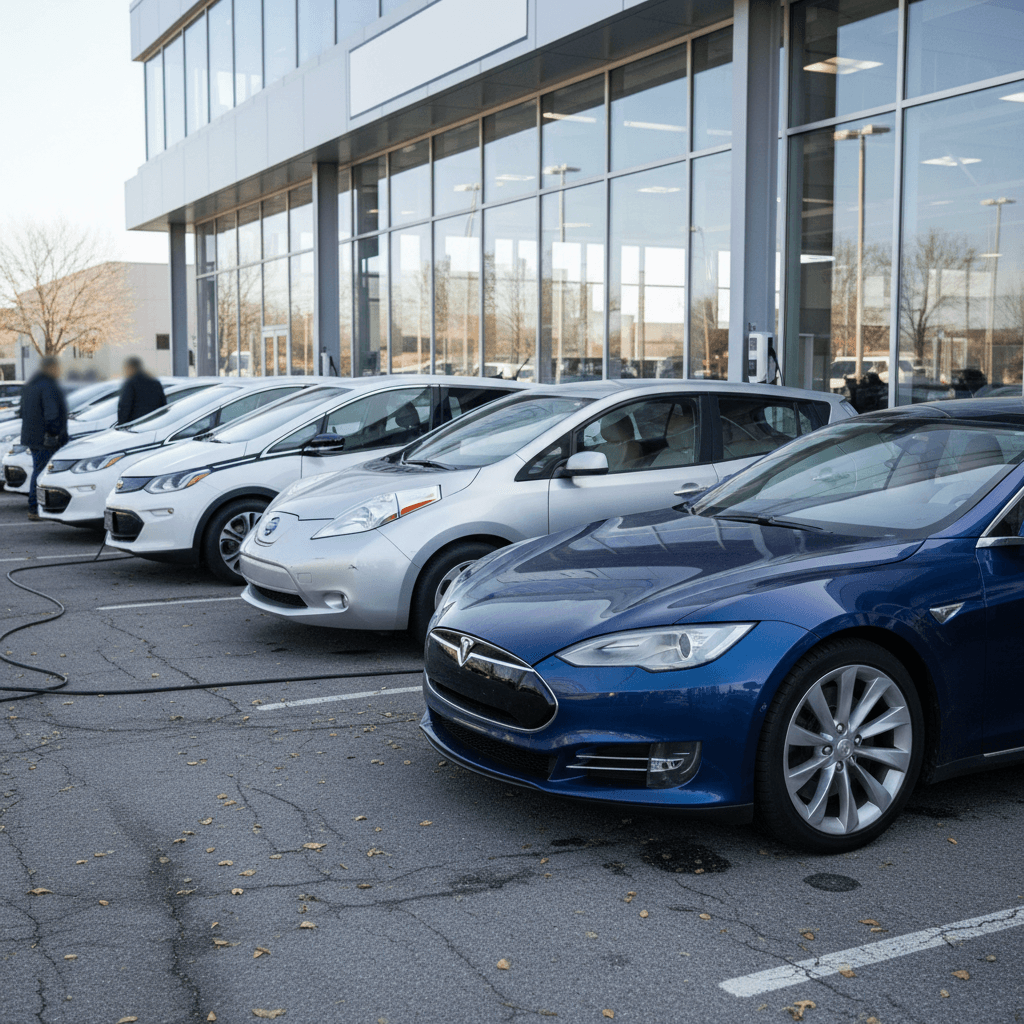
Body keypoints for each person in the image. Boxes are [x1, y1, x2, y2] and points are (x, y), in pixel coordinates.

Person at [20, 356, 69, 522]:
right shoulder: (48, 385)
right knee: (41, 473)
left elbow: (22, 411)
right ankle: (35, 508)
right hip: (45, 438)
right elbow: (52, 413)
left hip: (32, 436)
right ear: (51, 368)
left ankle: (36, 507)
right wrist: (55, 433)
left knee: (38, 470)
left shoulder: (31, 384)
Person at [117, 356, 166, 424]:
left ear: (131, 367)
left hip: (137, 425)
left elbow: (125, 406)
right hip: (155, 423)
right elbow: (163, 405)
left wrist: (122, 424)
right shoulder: (155, 382)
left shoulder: (131, 383)